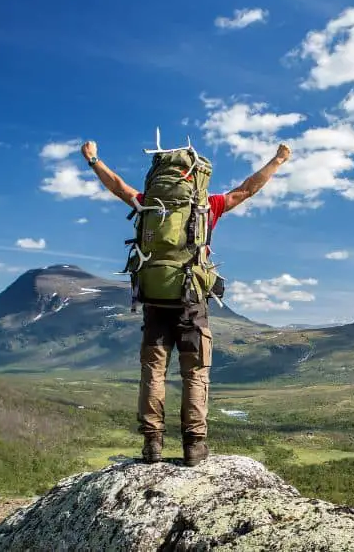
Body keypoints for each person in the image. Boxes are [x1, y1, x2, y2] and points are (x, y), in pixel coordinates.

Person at [81, 138, 291, 465]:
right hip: (192, 304)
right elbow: (248, 189)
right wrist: (277, 161)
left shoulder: (149, 204)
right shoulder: (207, 207)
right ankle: (194, 446)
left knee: (153, 372)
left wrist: (93, 160)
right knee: (195, 373)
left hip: (154, 301)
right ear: (195, 177)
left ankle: (152, 445)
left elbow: (118, 187)